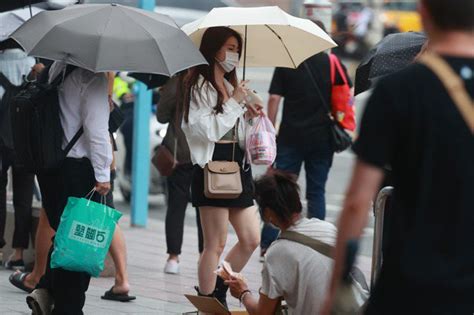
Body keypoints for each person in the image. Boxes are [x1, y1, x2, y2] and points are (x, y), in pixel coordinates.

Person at [322, 0, 474, 313]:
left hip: (409, 284)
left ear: (424, 11)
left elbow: (356, 203)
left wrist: (336, 288)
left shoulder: (398, 90)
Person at [181, 26, 261, 308]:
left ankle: (218, 288)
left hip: (239, 170)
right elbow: (207, 130)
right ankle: (207, 302)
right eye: (229, 47)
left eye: (237, 49)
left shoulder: (231, 87)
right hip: (211, 170)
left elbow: (238, 134)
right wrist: (236, 104)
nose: (234, 55)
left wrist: (251, 114)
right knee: (214, 243)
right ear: (214, 48)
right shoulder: (198, 87)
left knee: (251, 239)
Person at [26, 62, 113, 315]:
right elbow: (96, 132)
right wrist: (103, 175)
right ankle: (67, 307)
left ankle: (45, 289)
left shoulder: (58, 68)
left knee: (65, 235)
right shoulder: (93, 79)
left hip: (51, 167)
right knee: (79, 244)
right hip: (78, 171)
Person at [260, 22, 352, 258]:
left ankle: (268, 244)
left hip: (290, 137)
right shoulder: (332, 63)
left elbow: (273, 99)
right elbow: (344, 96)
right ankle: (318, 243)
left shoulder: (287, 62)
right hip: (322, 139)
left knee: (280, 190)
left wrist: (270, 130)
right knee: (316, 192)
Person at [226, 171, 338, 314]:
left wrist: (243, 292)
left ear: (268, 213)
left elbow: (262, 313)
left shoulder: (277, 253)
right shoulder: (328, 228)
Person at [156, 74, 204, 274]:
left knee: (176, 206)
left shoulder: (178, 79)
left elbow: (161, 116)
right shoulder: (212, 79)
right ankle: (205, 255)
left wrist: (167, 93)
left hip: (180, 153)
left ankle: (173, 258)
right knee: (206, 209)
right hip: (205, 154)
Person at [0, 48, 37, 270]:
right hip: (25, 143)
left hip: (1, 141)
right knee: (24, 196)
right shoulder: (33, 64)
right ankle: (18, 253)